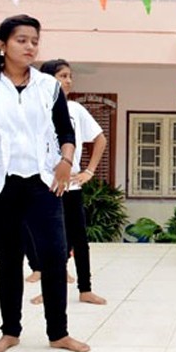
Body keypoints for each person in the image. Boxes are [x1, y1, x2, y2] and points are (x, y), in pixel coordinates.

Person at [0, 14, 89, 352]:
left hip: (42, 183)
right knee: (8, 257)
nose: (30, 46)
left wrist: (65, 162)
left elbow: (66, 131)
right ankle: (10, 332)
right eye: (22, 40)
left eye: (34, 40)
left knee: (53, 255)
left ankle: (58, 333)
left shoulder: (48, 87)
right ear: (2, 45)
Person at [26, 59, 107, 306]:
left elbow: (100, 139)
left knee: (79, 240)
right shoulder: (34, 108)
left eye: (70, 76)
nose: (69, 80)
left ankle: (85, 289)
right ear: (48, 80)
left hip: (71, 186)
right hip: (44, 187)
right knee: (51, 242)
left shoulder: (76, 110)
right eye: (63, 76)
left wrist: (89, 171)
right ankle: (50, 289)